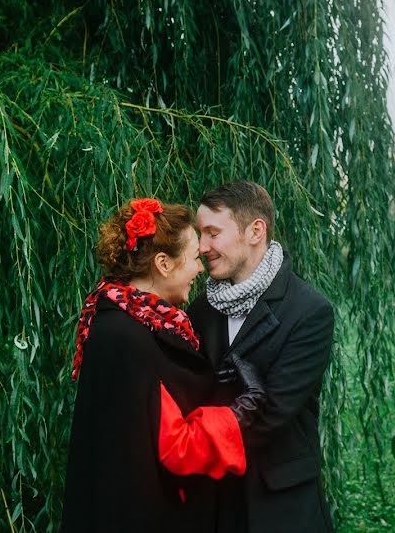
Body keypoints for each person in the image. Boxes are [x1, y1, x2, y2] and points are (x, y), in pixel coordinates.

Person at [61, 198, 267, 532]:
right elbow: (177, 447)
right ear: (164, 264)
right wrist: (241, 411)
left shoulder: (123, 320)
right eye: (192, 259)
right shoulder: (130, 338)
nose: (200, 269)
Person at [187, 181, 336, 533]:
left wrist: (190, 447)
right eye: (199, 234)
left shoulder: (309, 311)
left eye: (212, 233)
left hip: (278, 504)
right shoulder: (199, 310)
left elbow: (273, 413)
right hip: (211, 500)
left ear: (256, 231)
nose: (201, 247)